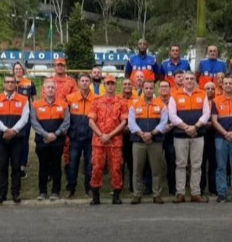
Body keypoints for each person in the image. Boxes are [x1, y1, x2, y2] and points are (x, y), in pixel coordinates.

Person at [169, 71, 210, 203]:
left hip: (198, 135)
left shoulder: (202, 94)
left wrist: (196, 127)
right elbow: (172, 116)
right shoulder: (174, 95)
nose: (189, 81)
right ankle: (180, 193)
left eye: (192, 78)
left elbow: (206, 114)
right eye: (186, 78)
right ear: (182, 81)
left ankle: (195, 193)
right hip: (180, 136)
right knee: (180, 164)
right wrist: (187, 127)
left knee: (196, 165)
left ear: (195, 80)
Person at [88, 75, 128, 205]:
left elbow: (123, 122)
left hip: (115, 142)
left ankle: (116, 195)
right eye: (108, 84)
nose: (110, 86)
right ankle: (95, 196)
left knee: (116, 168)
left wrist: (110, 135)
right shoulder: (96, 101)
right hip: (99, 142)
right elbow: (91, 121)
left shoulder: (122, 102)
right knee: (97, 168)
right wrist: (101, 135)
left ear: (115, 86)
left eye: (112, 84)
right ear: (103, 85)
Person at [0, 75, 30, 204]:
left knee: (16, 166)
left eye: (12, 82)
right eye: (7, 82)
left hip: (17, 138)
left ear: (16, 85)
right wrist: (6, 130)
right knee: (2, 166)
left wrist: (13, 131)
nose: (10, 84)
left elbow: (25, 118)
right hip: (1, 137)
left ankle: (15, 193)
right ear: (3, 84)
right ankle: (2, 194)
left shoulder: (24, 99)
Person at [128, 80, 168, 204]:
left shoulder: (161, 104)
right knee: (137, 169)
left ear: (154, 89)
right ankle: (137, 194)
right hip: (138, 141)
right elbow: (131, 123)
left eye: (151, 88)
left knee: (156, 169)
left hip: (155, 141)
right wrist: (142, 134)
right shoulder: (134, 104)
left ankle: (156, 194)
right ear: (143, 89)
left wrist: (152, 133)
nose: (149, 90)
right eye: (146, 88)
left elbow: (164, 122)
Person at [31, 79, 70, 201]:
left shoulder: (63, 104)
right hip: (42, 140)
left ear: (56, 89)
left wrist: (56, 134)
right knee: (43, 167)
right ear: (44, 89)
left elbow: (67, 122)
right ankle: (42, 192)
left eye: (52, 87)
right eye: (48, 87)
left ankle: (55, 192)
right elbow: (34, 122)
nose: (50, 89)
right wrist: (46, 135)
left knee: (56, 166)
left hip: (57, 141)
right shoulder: (36, 104)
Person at [65, 74, 96, 199]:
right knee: (72, 165)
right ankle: (70, 189)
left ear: (90, 82)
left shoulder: (96, 99)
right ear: (78, 82)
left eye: (87, 81)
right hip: (75, 138)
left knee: (89, 165)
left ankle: (89, 188)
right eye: (82, 81)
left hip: (90, 139)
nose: (84, 83)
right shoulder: (70, 98)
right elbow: (66, 118)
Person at [13, 62, 36, 179]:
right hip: (12, 116)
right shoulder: (10, 82)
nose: (18, 71)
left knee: (24, 141)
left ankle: (22, 166)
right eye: (16, 69)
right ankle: (14, 165)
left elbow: (34, 101)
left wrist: (35, 115)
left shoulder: (29, 83)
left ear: (23, 70)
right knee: (13, 140)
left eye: (20, 69)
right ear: (13, 71)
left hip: (25, 116)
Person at [159, 80, 177, 195]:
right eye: (162, 86)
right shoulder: (156, 101)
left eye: (166, 86)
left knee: (172, 162)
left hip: (171, 134)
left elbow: (179, 115)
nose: (164, 88)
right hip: (158, 134)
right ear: (159, 89)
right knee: (155, 163)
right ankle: (153, 188)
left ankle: (172, 188)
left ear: (170, 88)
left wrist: (171, 125)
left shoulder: (174, 100)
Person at [200, 82, 217, 196]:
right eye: (207, 88)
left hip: (215, 133)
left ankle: (213, 187)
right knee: (201, 161)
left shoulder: (218, 101)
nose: (210, 90)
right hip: (202, 132)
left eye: (212, 88)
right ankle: (201, 187)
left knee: (213, 162)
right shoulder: (200, 101)